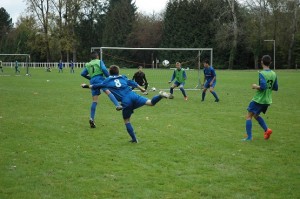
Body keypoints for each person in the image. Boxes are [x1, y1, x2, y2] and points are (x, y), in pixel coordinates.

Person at [81, 65, 171, 143]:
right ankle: (160, 95)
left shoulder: (107, 81)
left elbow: (96, 86)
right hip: (133, 95)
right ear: (118, 72)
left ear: (109, 72)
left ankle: (134, 139)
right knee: (151, 103)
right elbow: (132, 82)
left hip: (125, 101)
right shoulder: (123, 77)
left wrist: (86, 86)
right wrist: (141, 88)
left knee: (127, 120)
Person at [81, 51, 122, 128]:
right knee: (108, 91)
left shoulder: (88, 64)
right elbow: (103, 69)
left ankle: (91, 118)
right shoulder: (99, 61)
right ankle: (117, 105)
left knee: (94, 101)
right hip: (100, 79)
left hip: (93, 80)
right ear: (97, 57)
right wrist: (109, 77)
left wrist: (91, 78)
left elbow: (82, 73)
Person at [243, 55, 278, 141]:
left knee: (248, 116)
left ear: (262, 62)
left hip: (259, 99)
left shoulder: (262, 73)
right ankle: (267, 130)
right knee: (256, 115)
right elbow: (276, 87)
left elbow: (262, 87)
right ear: (270, 63)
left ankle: (249, 137)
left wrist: (255, 86)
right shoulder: (274, 73)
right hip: (267, 100)